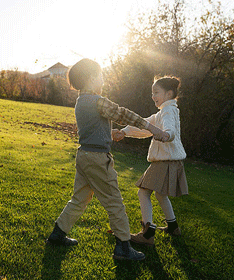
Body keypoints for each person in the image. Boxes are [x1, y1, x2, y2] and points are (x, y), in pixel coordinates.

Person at [46, 58, 169, 261]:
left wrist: (109, 132)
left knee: (79, 198)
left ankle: (58, 234)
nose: (103, 80)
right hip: (97, 159)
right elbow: (123, 114)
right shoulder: (98, 101)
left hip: (84, 155)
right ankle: (122, 247)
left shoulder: (81, 102)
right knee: (114, 203)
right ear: (91, 78)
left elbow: (92, 127)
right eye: (101, 76)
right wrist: (153, 128)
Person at [112, 76, 188, 246]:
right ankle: (173, 226)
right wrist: (125, 131)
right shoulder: (165, 111)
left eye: (156, 92)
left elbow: (170, 129)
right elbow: (145, 126)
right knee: (160, 194)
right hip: (171, 161)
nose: (153, 96)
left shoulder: (167, 112)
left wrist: (167, 135)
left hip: (164, 161)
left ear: (168, 93)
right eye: (152, 93)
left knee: (143, 192)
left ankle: (147, 234)